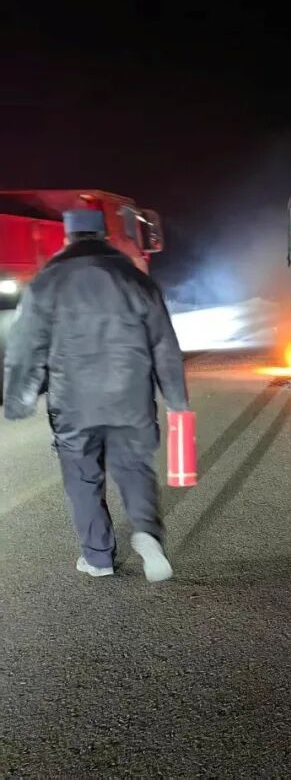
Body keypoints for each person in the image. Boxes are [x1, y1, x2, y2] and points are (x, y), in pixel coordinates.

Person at [3, 209, 188, 582]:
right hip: (131, 399)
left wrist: (18, 398)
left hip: (73, 402)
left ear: (68, 239)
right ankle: (148, 536)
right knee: (134, 469)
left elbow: (25, 347)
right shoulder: (135, 279)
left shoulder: (47, 283)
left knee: (82, 478)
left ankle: (98, 557)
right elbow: (165, 346)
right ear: (104, 236)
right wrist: (177, 400)